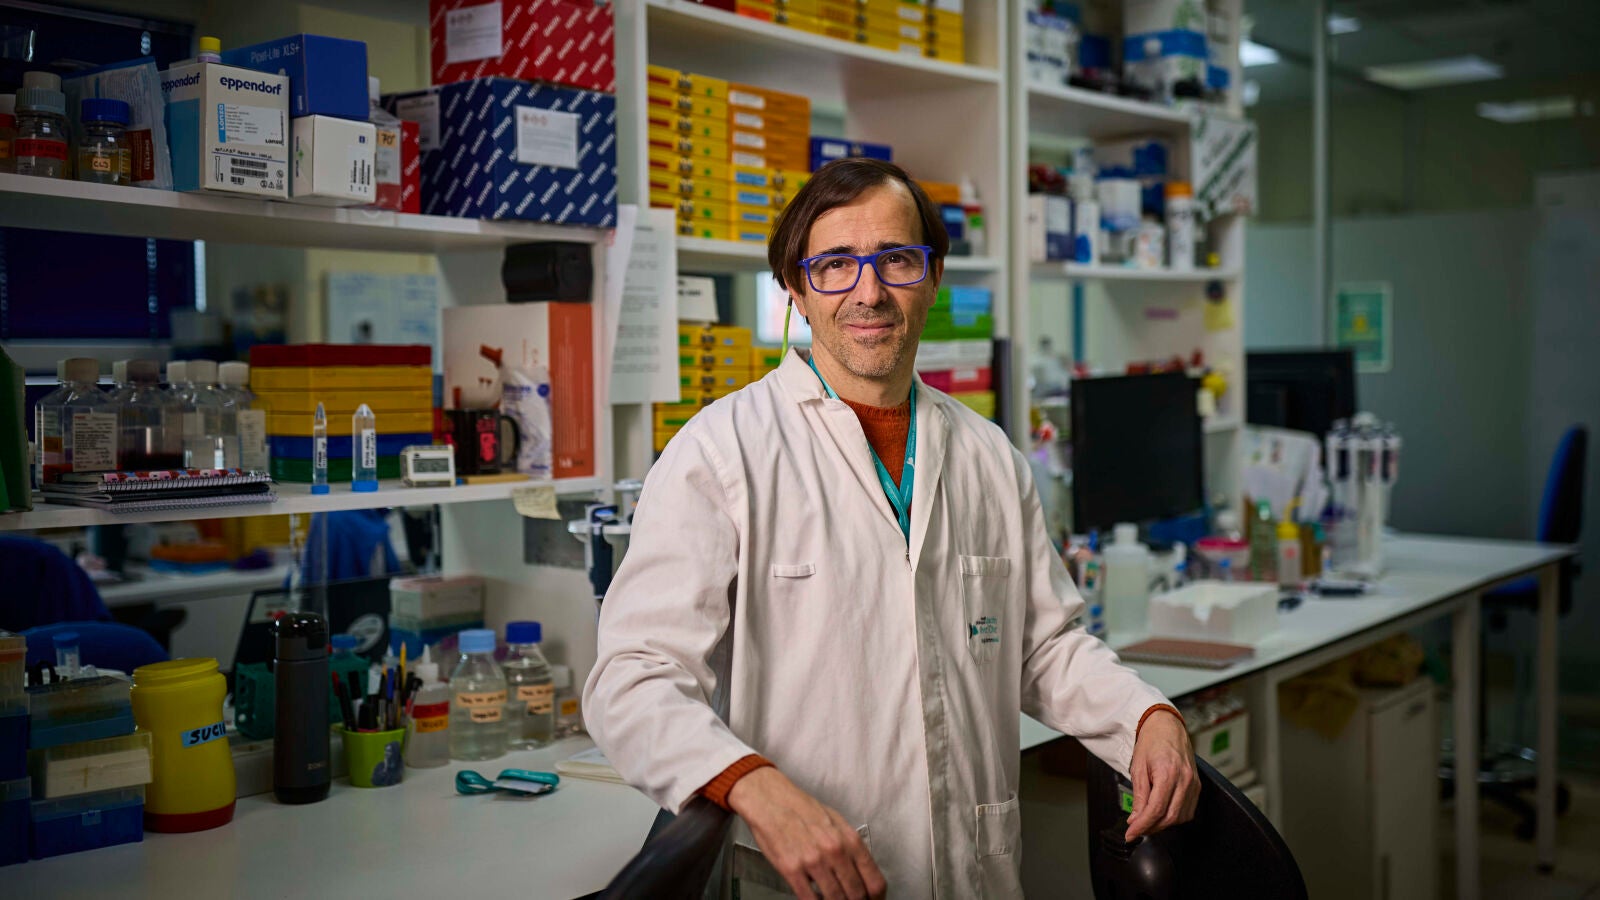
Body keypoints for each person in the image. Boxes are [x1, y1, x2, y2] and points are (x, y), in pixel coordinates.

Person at [585, 158, 1198, 899]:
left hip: (976, 872)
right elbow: (634, 678)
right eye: (835, 265)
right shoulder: (721, 452)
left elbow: (1041, 647)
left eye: (897, 260)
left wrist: (1145, 715)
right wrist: (749, 782)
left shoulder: (987, 455)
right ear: (795, 290)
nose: (868, 292)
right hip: (806, 882)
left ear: (933, 278)